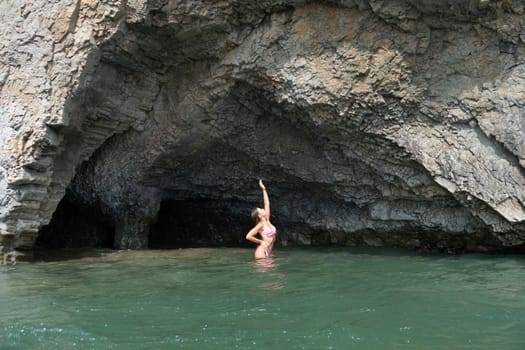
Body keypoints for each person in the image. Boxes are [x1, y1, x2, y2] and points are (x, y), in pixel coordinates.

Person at [246, 179, 277, 259]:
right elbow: (248, 236)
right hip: (262, 251)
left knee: (274, 271)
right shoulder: (260, 225)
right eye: (261, 210)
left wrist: (263, 189)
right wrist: (261, 241)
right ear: (259, 215)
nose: (263, 209)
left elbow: (267, 203)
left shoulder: (267, 220)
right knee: (272, 271)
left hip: (268, 251)